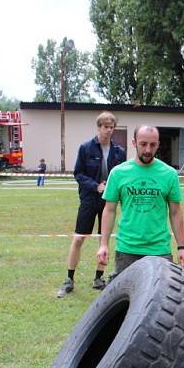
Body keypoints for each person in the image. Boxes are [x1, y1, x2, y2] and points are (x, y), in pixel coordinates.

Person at [96, 125, 184, 276]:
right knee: (127, 298)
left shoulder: (169, 174)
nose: (147, 150)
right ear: (134, 143)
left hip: (159, 250)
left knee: (161, 298)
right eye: (143, 144)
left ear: (158, 144)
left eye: (152, 145)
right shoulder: (118, 173)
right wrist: (103, 244)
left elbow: (175, 212)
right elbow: (109, 210)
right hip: (127, 249)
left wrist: (182, 247)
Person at [56, 111, 126, 298]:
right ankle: (69, 279)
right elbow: (78, 174)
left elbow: (123, 176)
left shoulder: (119, 152)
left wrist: (113, 190)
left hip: (108, 202)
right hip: (88, 200)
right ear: (99, 127)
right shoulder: (86, 148)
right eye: (105, 127)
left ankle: (98, 279)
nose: (109, 131)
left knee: (103, 240)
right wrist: (96, 187)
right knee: (78, 238)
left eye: (112, 127)